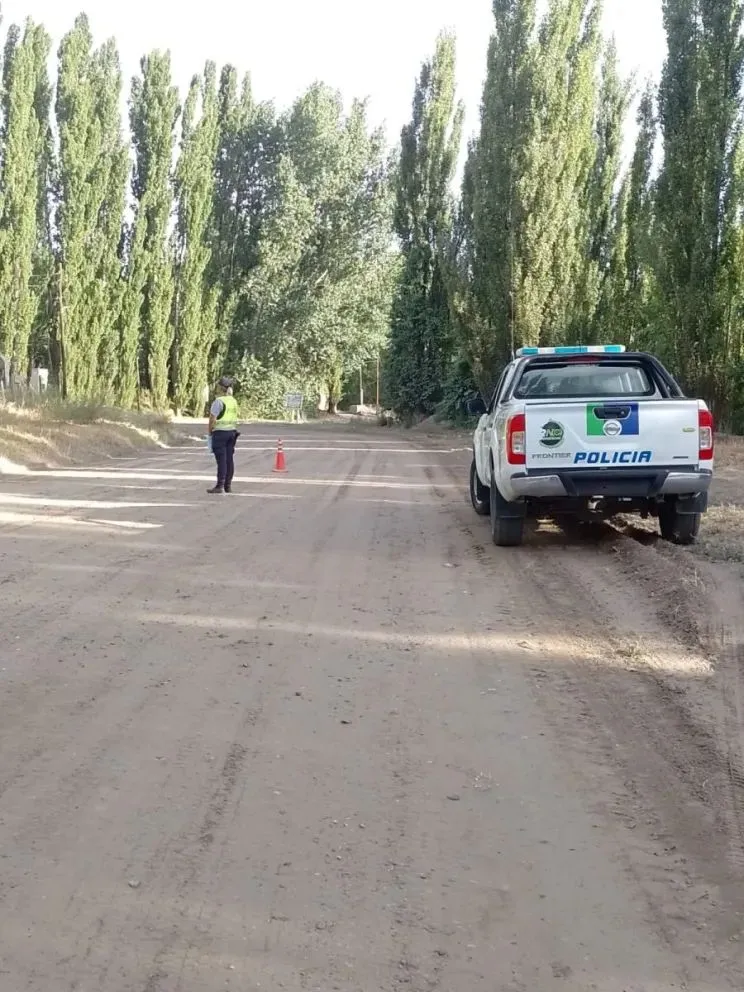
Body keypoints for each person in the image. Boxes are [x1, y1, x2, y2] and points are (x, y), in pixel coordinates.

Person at [207, 376, 240, 494]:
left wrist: (210, 431)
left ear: (221, 388)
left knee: (221, 461)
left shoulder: (219, 401)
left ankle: (219, 486)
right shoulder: (233, 401)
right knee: (229, 460)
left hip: (220, 433)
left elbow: (212, 419)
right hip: (232, 432)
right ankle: (228, 485)